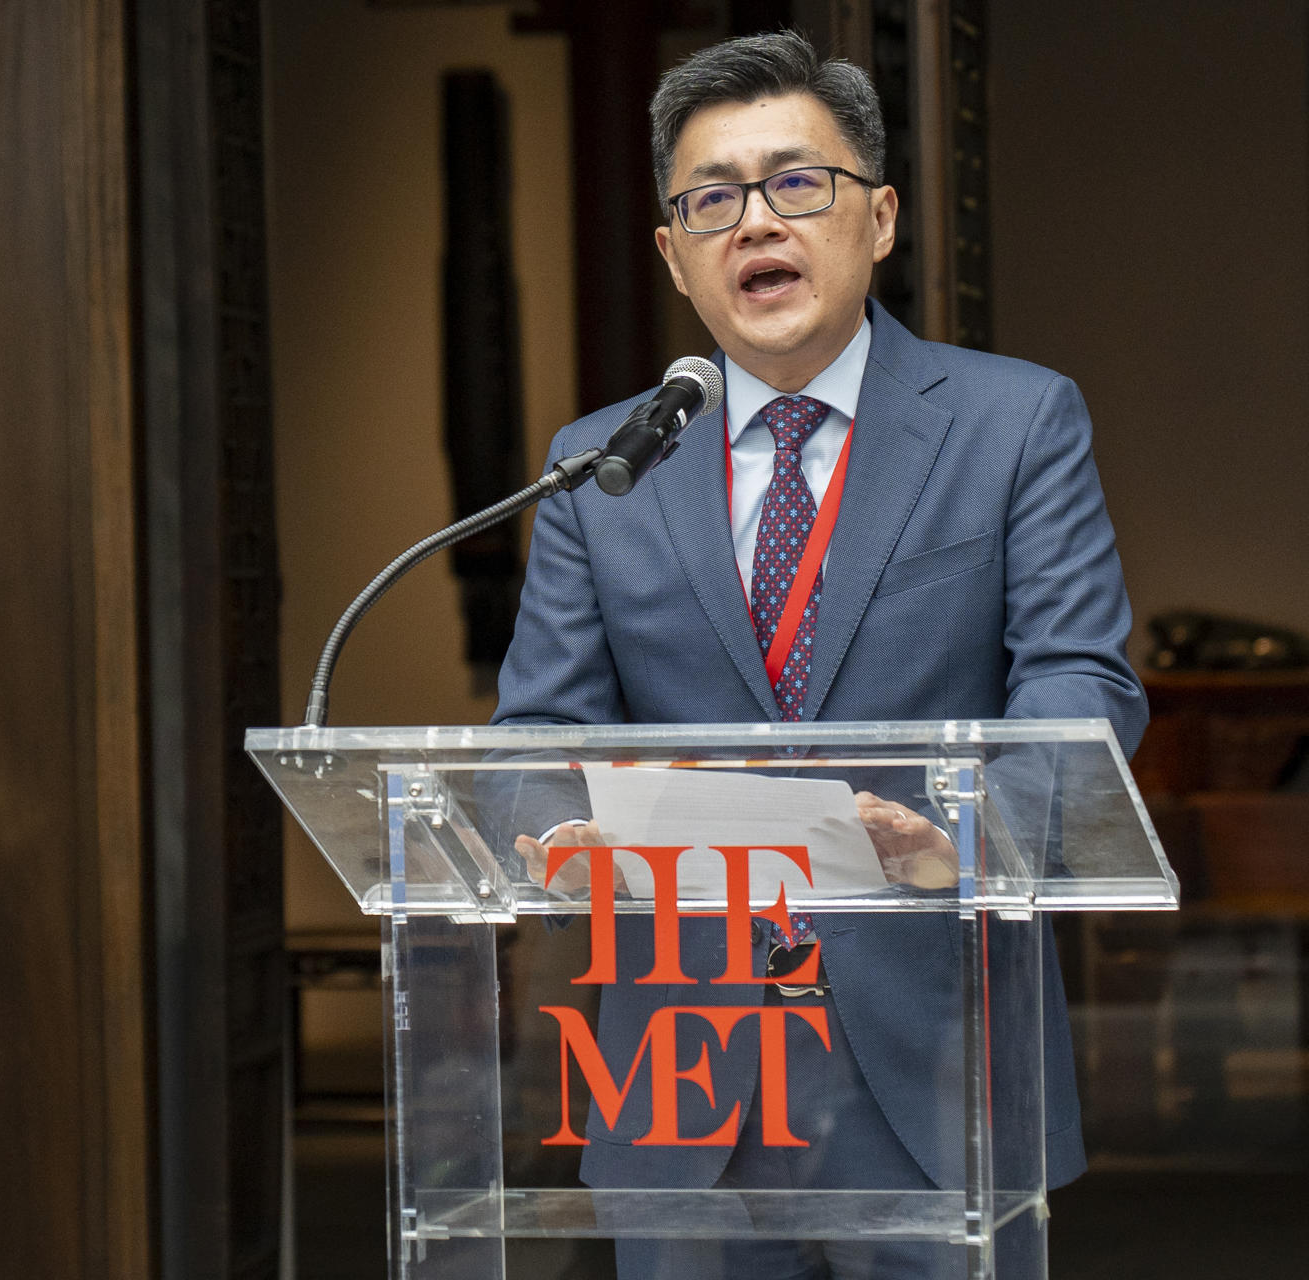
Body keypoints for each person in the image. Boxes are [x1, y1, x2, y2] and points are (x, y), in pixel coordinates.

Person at [491, 30, 1144, 1279]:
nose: (756, 223)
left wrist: (964, 826)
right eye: (712, 198)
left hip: (935, 1051)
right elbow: (537, 735)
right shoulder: (602, 466)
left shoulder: (1013, 423)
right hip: (680, 1072)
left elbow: (1081, 681)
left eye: (798, 182)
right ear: (675, 253)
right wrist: (561, 836)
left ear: (881, 217)